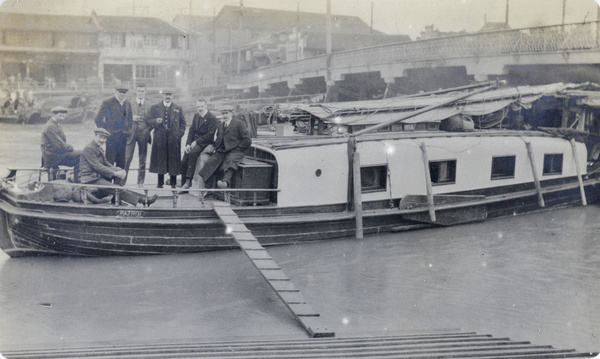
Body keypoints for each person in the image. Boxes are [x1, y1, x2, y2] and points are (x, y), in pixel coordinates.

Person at [79, 128, 157, 207]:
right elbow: (97, 166)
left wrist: (120, 171)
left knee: (119, 171)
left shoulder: (97, 147)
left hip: (97, 175)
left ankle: (116, 198)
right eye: (100, 137)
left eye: (104, 138)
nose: (102, 140)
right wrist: (115, 173)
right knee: (114, 187)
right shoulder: (89, 148)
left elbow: (106, 163)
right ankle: (143, 200)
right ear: (95, 136)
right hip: (90, 178)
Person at [198, 105, 252, 190]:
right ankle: (207, 188)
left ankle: (225, 182)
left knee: (230, 162)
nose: (224, 116)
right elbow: (218, 139)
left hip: (236, 151)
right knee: (211, 161)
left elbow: (247, 140)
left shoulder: (239, 124)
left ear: (232, 113)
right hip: (222, 150)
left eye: (226, 113)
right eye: (223, 113)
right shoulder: (220, 125)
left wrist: (237, 148)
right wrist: (214, 148)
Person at [147, 89, 186, 188]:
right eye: (166, 94)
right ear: (162, 95)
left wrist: (179, 134)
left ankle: (173, 184)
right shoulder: (155, 108)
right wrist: (156, 121)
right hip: (160, 137)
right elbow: (148, 120)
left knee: (173, 159)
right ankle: (160, 183)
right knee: (161, 159)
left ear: (172, 96)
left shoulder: (178, 108)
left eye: (170, 94)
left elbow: (182, 123)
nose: (168, 96)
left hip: (173, 138)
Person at [94, 85, 133, 180]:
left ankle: (118, 188)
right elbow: (98, 119)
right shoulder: (108, 102)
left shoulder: (127, 103)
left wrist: (127, 131)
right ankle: (108, 188)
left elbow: (130, 120)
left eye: (124, 93)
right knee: (109, 162)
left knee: (121, 163)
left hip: (123, 138)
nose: (122, 94)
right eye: (120, 92)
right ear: (116, 92)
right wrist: (107, 132)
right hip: (111, 138)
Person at [180, 98, 218, 191]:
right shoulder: (196, 116)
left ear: (206, 106)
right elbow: (191, 131)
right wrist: (188, 144)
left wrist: (196, 142)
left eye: (202, 106)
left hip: (205, 142)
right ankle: (183, 183)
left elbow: (210, 135)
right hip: (195, 142)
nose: (200, 108)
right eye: (198, 107)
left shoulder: (212, 118)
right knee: (184, 159)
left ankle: (188, 181)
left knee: (193, 153)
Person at [41, 106, 81, 181]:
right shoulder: (51, 126)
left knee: (81, 156)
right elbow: (60, 145)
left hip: (55, 154)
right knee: (82, 154)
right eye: (60, 116)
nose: (62, 118)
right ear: (54, 115)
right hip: (53, 156)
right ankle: (76, 181)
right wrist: (71, 148)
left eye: (63, 116)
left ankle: (76, 179)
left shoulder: (55, 124)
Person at [123, 84, 152, 187]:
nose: (140, 93)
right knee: (127, 158)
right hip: (131, 134)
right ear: (136, 91)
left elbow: (151, 121)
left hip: (143, 134)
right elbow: (124, 118)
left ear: (145, 92)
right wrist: (132, 119)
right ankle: (123, 181)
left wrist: (147, 130)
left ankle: (140, 181)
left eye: (142, 91)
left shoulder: (149, 105)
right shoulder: (129, 104)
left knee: (142, 159)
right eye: (139, 91)